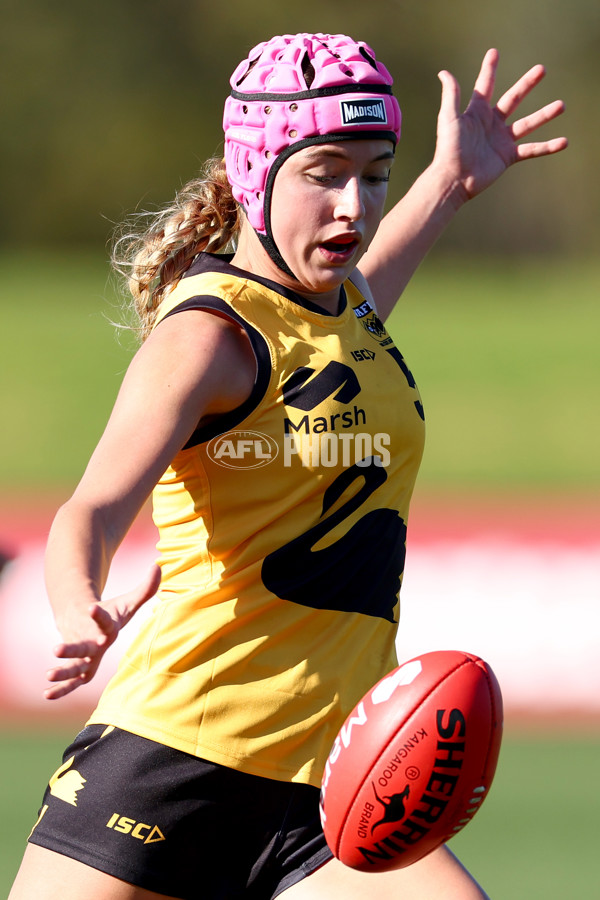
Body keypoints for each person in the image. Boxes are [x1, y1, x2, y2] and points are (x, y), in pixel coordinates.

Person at [10, 32, 566, 900]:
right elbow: (91, 508)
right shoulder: (209, 335)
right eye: (326, 172)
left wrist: (449, 182)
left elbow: (364, 289)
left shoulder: (348, 310)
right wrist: (75, 600)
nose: (355, 204)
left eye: (376, 173)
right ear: (254, 173)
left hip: (339, 778)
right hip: (175, 758)